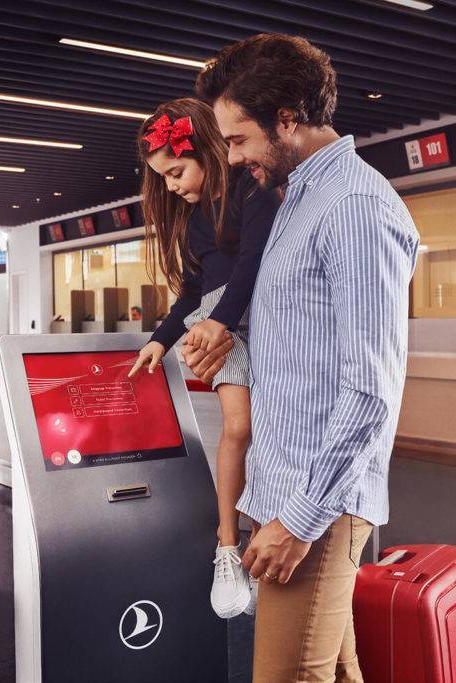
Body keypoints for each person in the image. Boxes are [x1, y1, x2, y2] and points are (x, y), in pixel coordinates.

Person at [188, 34, 420, 681]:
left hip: (316, 505)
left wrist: (298, 518)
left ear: (286, 118)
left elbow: (370, 389)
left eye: (238, 140)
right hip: (283, 486)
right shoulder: (299, 198)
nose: (232, 158)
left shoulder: (355, 206)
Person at [127, 98, 280, 620]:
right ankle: (227, 546)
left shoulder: (251, 192)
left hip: (265, 317)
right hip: (222, 321)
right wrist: (161, 338)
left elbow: (255, 262)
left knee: (276, 432)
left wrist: (223, 322)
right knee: (239, 429)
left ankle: (265, 537)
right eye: (164, 177)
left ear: (208, 151)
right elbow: (195, 290)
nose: (171, 186)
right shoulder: (194, 222)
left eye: (176, 171)